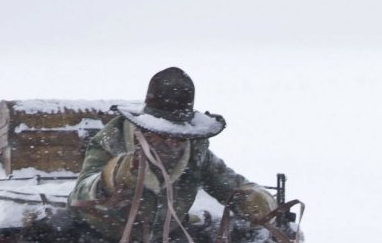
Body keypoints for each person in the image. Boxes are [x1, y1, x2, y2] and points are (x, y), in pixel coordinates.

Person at [69, 66, 277, 234]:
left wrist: (252, 199)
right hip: (100, 237)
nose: (172, 143)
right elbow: (79, 195)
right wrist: (113, 176)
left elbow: (228, 184)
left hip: (164, 239)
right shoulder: (113, 138)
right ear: (145, 128)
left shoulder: (195, 149)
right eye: (164, 134)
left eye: (179, 137)